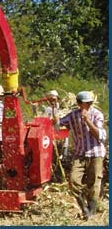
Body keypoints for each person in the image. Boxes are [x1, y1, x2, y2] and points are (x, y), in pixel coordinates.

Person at [53, 91, 107, 219]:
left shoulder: (96, 114)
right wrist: (55, 107)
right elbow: (57, 125)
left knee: (94, 182)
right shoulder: (73, 116)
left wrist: (87, 120)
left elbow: (99, 135)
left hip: (96, 153)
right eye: (85, 103)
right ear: (79, 104)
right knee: (73, 181)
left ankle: (91, 211)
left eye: (90, 103)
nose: (88, 106)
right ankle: (84, 208)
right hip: (80, 153)